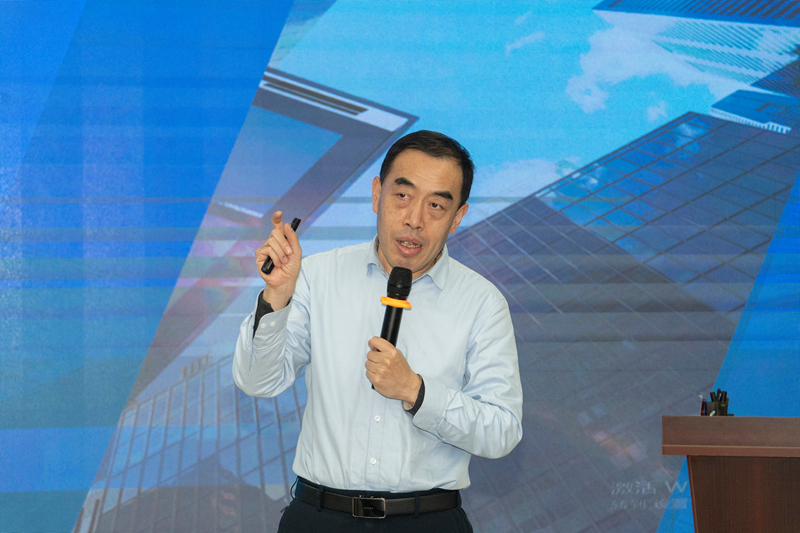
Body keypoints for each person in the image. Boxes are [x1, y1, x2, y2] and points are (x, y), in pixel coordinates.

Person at [233, 130, 523, 532]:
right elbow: (257, 381)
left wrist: (416, 392)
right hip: (319, 518)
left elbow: (502, 431)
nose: (414, 219)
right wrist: (276, 296)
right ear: (376, 194)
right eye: (402, 195)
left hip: (428, 521)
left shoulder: (481, 302)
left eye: (436, 205)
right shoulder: (317, 276)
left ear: (457, 218)